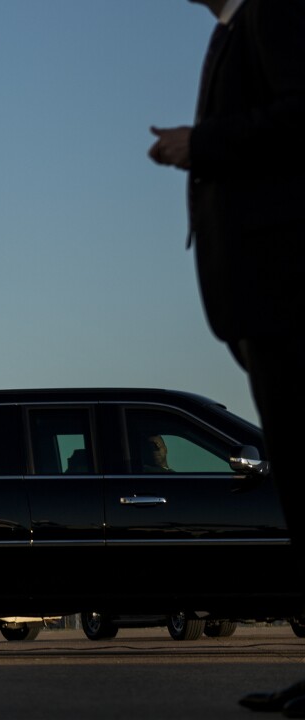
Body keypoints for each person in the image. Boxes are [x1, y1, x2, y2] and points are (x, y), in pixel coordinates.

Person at [149, 0, 305, 713]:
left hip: (286, 292)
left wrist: (200, 143)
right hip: (260, 300)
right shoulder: (233, 29)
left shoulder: (276, 10)